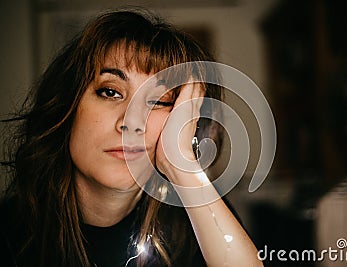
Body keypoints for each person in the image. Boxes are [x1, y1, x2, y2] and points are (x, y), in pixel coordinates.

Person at [0, 9, 262, 267]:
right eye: (110, 92)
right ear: (67, 107)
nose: (131, 123)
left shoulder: (194, 220)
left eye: (159, 101)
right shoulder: (10, 234)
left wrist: (182, 166)